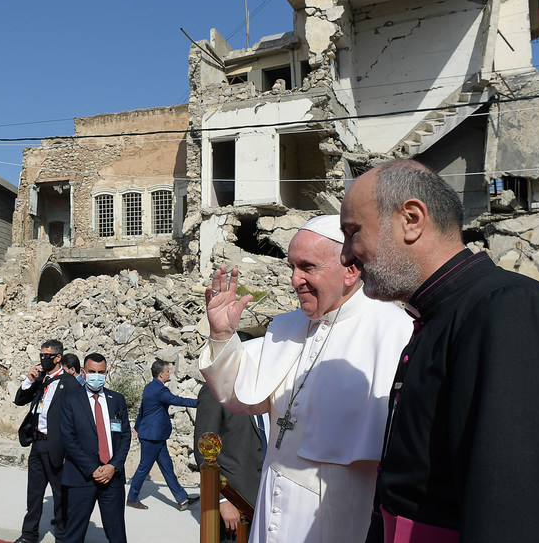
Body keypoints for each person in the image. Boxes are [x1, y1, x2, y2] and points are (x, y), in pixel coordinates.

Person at [339, 159, 539, 541]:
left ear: (411, 219)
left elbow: (524, 511)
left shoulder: (510, 311)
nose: (346, 255)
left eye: (352, 232)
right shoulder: (441, 314)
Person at [199, 214, 412, 543]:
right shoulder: (286, 326)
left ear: (351, 269)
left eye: (307, 267)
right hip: (272, 495)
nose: (295, 280)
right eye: (292, 268)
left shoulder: (394, 330)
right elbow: (240, 397)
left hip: (339, 513)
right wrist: (223, 335)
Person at [10, 339, 81, 543]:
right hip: (37, 443)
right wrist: (29, 380)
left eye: (47, 356)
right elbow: (19, 400)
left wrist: (70, 452)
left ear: (58, 358)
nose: (43, 359)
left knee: (60, 495)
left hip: (57, 445)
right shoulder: (41, 379)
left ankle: (63, 536)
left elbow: (76, 420)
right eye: (41, 355)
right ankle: (29, 534)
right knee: (34, 492)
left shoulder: (69, 383)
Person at [59, 352, 131, 543]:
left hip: (112, 478)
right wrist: (93, 469)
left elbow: (125, 437)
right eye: (92, 371)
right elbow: (69, 440)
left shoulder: (116, 399)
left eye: (101, 372)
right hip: (82, 478)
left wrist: (113, 466)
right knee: (74, 534)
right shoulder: (70, 401)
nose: (96, 376)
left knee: (117, 534)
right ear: (83, 372)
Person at [193, 381, 266, 542]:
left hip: (263, 501)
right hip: (234, 504)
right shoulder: (215, 390)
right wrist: (221, 500)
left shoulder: (263, 391)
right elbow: (203, 449)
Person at [127, 359, 199, 510]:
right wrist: (199, 403)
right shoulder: (161, 390)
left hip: (156, 437)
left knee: (167, 468)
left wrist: (138, 427)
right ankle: (132, 498)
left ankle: (182, 499)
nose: (170, 373)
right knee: (144, 468)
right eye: (168, 371)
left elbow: (142, 410)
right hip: (152, 437)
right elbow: (177, 400)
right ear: (161, 374)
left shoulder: (149, 387)